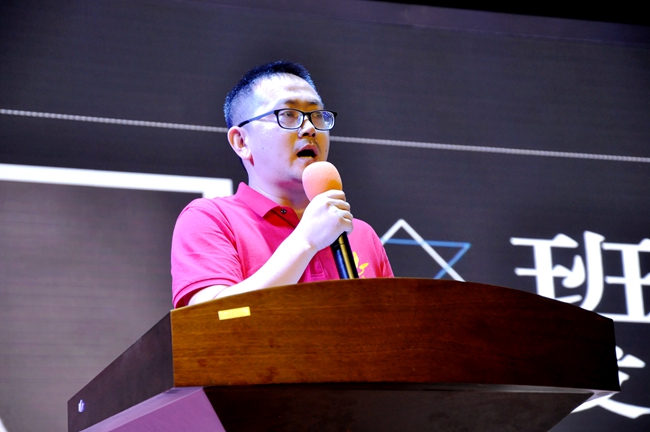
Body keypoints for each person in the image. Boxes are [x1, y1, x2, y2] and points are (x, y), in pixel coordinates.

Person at [171, 61, 393, 308]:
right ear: (241, 141)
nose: (310, 128)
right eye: (288, 114)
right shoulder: (210, 219)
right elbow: (210, 319)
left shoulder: (360, 234)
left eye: (317, 115)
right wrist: (305, 241)